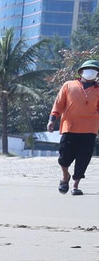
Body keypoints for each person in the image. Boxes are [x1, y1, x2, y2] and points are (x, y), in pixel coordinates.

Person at [47, 60, 99, 196]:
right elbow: (58, 105)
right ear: (81, 72)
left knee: (83, 159)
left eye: (94, 70)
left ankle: (75, 186)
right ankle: (65, 176)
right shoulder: (68, 85)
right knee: (64, 158)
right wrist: (52, 120)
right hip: (69, 128)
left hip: (90, 130)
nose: (91, 72)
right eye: (88, 69)